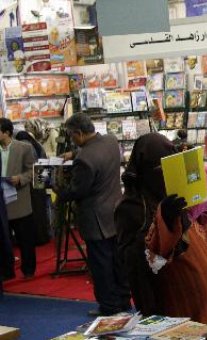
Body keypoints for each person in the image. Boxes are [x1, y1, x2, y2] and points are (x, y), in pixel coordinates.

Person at [116, 133, 207, 324]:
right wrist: (163, 223)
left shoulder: (178, 195)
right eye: (158, 168)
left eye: (167, 168)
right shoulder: (132, 208)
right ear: (143, 171)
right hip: (177, 304)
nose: (163, 176)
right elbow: (137, 262)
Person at [54, 114, 131, 316]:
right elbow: (94, 152)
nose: (72, 139)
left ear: (78, 133)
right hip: (115, 211)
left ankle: (109, 306)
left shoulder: (85, 159)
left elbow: (76, 191)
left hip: (95, 219)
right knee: (117, 261)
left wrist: (55, 188)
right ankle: (123, 300)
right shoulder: (111, 141)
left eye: (72, 135)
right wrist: (73, 154)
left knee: (101, 266)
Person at [0, 118, 36, 280]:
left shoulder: (24, 148)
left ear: (7, 132)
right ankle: (7, 271)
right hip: (2, 203)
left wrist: (20, 178)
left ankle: (28, 270)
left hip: (19, 200)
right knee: (4, 240)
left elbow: (33, 171)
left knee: (25, 239)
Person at [14, 131, 50, 246]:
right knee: (41, 207)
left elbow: (27, 165)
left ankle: (36, 238)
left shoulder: (25, 146)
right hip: (41, 175)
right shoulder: (38, 145)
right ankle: (43, 235)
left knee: (33, 209)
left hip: (33, 177)